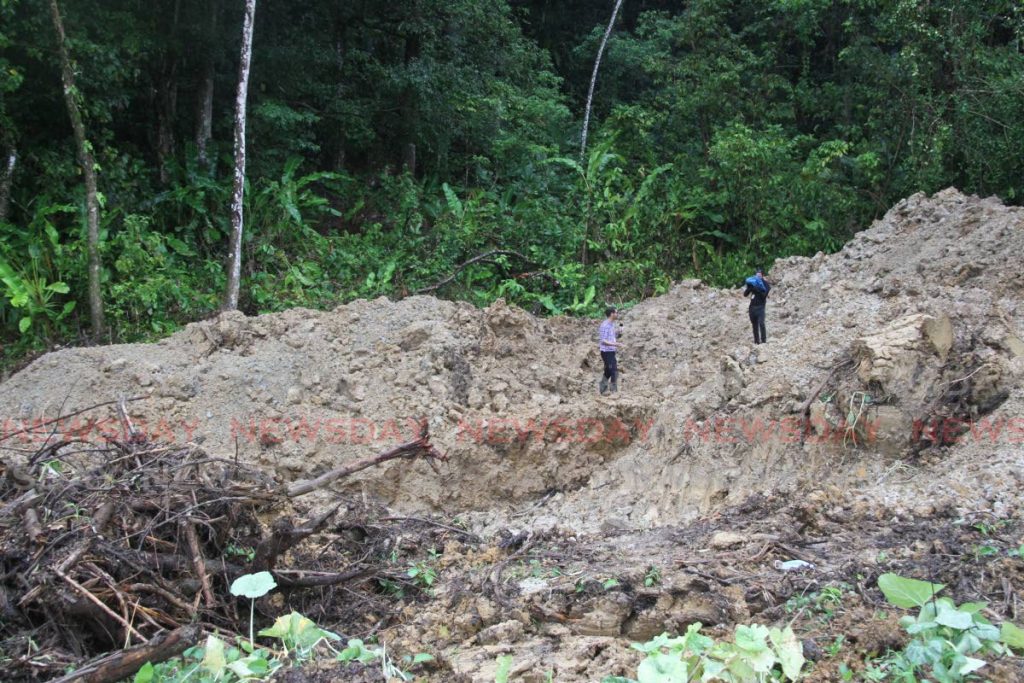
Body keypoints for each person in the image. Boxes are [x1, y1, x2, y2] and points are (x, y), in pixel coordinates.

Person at [742, 268, 771, 344]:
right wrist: (750, 288)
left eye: (759, 275)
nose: (758, 276)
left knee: (761, 323)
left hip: (760, 307)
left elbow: (764, 295)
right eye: (757, 275)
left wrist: (757, 289)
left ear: (762, 275)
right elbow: (745, 294)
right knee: (754, 325)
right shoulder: (753, 282)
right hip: (752, 307)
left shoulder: (765, 284)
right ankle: (756, 341)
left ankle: (764, 341)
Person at [598, 306, 620, 394]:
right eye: (616, 312)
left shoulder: (612, 324)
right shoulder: (605, 325)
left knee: (608, 370)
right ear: (612, 314)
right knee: (613, 370)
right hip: (606, 352)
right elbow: (603, 341)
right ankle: (613, 390)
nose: (617, 314)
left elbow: (612, 336)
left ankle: (602, 388)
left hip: (611, 351)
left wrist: (618, 333)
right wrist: (616, 344)